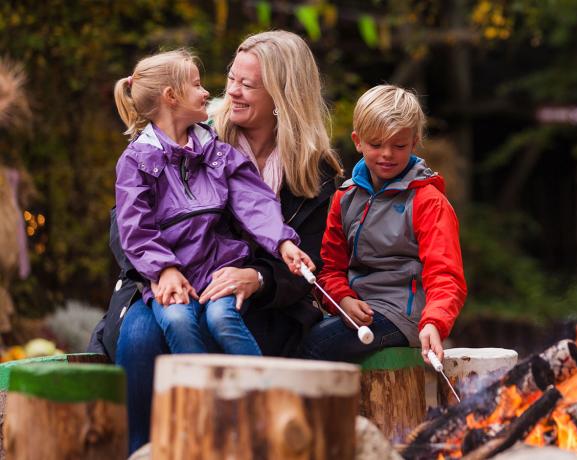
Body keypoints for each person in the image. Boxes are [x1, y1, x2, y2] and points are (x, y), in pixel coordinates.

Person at [87, 31, 342, 453]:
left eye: (247, 84)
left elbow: (308, 266)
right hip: (166, 278)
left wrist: (257, 277)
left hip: (256, 303)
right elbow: (126, 224)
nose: (230, 91)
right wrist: (161, 270)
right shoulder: (194, 132)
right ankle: (141, 449)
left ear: (281, 94)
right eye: (231, 78)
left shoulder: (315, 173)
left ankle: (234, 433)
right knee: (140, 337)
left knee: (214, 325)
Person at [112, 48, 315, 357]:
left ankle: (263, 387)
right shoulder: (138, 161)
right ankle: (197, 393)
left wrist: (283, 242)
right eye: (196, 85)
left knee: (222, 318)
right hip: (172, 274)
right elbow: (133, 226)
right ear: (171, 96)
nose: (209, 91)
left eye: (246, 84)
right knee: (175, 321)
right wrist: (162, 269)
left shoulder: (215, 151)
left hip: (217, 270)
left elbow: (254, 202)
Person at [298, 85, 467, 365]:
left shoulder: (427, 201)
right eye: (376, 145)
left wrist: (434, 322)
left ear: (414, 142)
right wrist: (343, 299)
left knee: (316, 346)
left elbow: (445, 274)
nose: (387, 154)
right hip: (356, 309)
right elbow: (329, 266)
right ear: (357, 141)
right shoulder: (346, 196)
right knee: (294, 332)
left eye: (398, 146)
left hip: (403, 315)